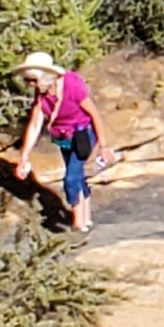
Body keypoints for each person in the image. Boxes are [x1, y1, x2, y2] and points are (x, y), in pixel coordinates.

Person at [14, 51, 100, 233]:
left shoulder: (72, 86)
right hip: (63, 137)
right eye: (27, 80)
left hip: (82, 134)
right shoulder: (42, 93)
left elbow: (93, 113)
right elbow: (35, 123)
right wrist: (24, 155)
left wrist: (105, 146)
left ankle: (77, 224)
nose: (30, 85)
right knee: (76, 174)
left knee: (71, 178)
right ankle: (85, 218)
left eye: (32, 80)